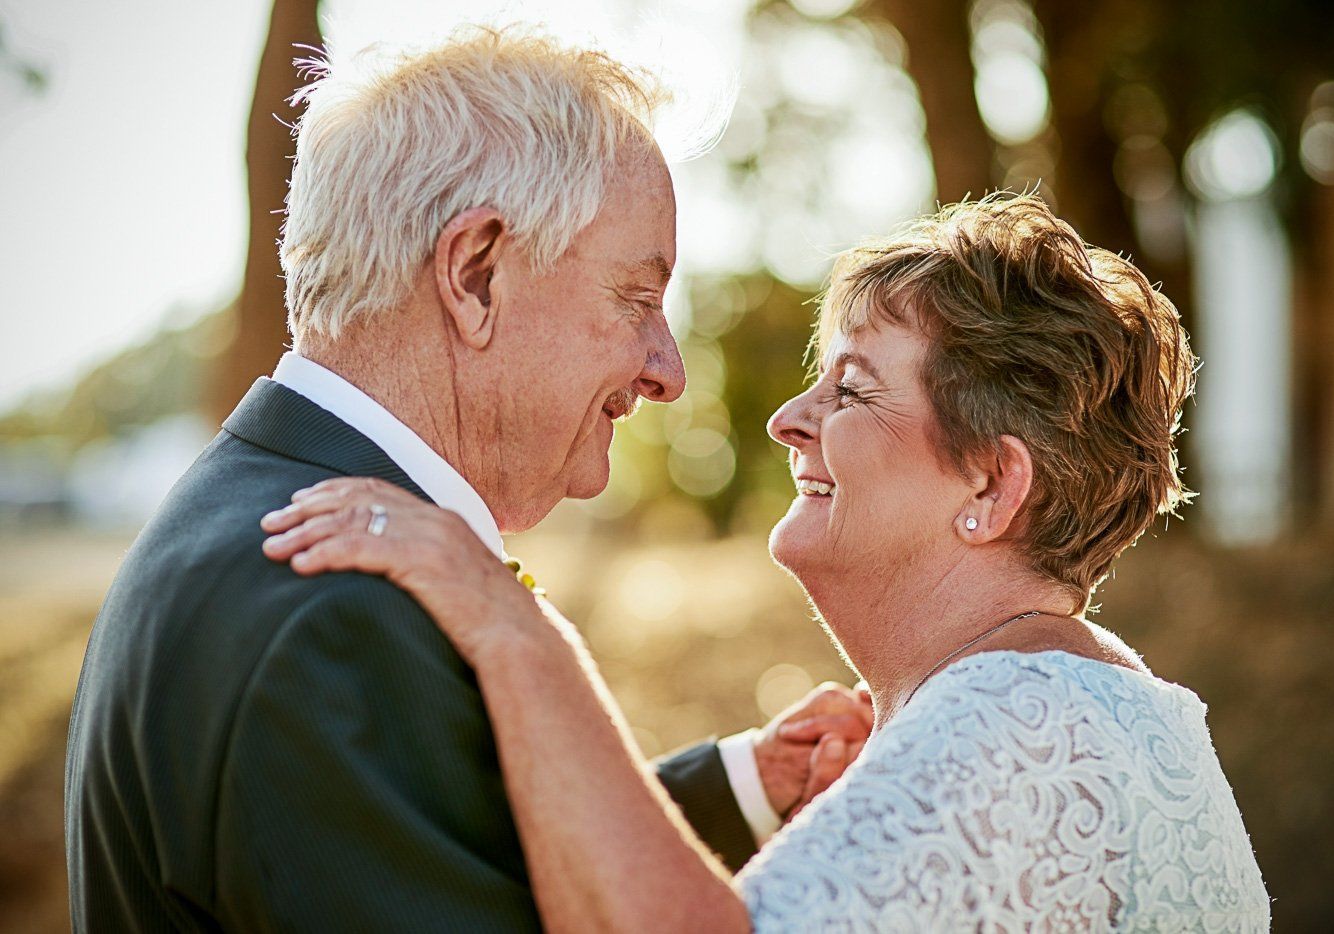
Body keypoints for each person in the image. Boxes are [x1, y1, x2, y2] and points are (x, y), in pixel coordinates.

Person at [263, 194, 1272, 930]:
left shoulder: (1022, 724)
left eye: (854, 390)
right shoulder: (1076, 710)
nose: (790, 421)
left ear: (991, 486)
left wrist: (512, 627)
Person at [64, 26, 871, 932]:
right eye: (639, 299)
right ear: (475, 274)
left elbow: (439, 850)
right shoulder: (331, 620)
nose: (667, 371)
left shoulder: (266, 515)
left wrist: (739, 786)